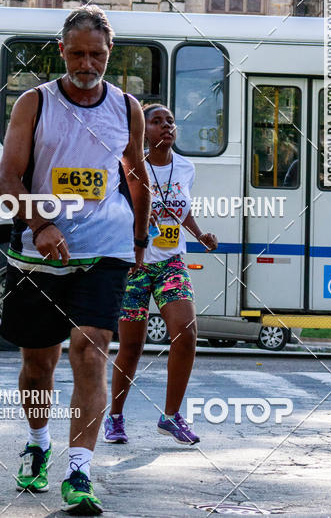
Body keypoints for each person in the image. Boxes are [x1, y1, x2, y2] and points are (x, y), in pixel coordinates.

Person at [0, 5, 150, 516]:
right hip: (39, 256)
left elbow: (136, 176)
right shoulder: (34, 103)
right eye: (79, 53)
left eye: (98, 55)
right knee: (38, 366)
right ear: (62, 51)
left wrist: (139, 241)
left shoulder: (127, 107)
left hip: (103, 250)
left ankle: (80, 469)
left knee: (90, 350)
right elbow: (8, 180)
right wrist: (40, 224)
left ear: (110, 54)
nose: (88, 64)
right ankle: (38, 442)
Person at [104, 103, 217, 446]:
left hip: (170, 261)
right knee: (132, 346)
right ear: (143, 130)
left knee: (186, 331)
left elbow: (182, 210)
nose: (166, 126)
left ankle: (170, 415)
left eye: (170, 121)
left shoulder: (185, 167)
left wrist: (200, 235)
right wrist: (138, 219)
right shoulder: (127, 167)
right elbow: (111, 209)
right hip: (134, 264)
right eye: (157, 121)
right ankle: (115, 417)